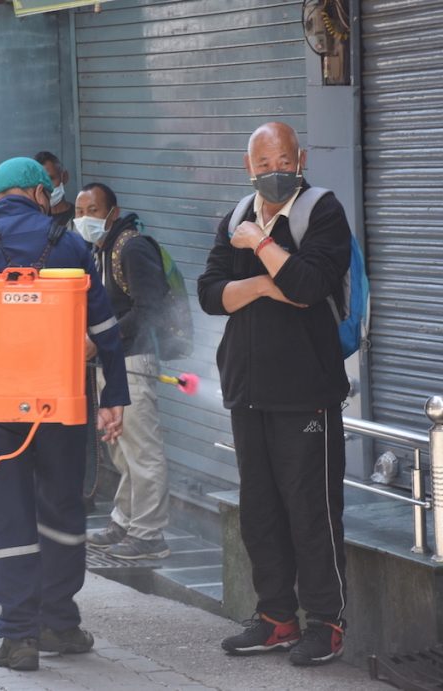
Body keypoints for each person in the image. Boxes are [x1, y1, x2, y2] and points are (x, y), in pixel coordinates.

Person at [0, 157, 129, 672]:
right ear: (35, 192)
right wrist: (114, 393)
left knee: (7, 513)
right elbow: (106, 331)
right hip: (62, 402)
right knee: (62, 512)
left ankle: (18, 636)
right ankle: (59, 623)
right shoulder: (71, 245)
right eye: (48, 190)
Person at [197, 122, 350, 666]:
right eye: (263, 164)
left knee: (311, 509)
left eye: (283, 159)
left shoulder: (322, 213)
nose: (274, 171)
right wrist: (265, 283)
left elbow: (310, 287)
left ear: (301, 157)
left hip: (307, 393)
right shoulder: (236, 216)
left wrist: (262, 247)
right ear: (249, 168)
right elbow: (210, 293)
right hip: (248, 389)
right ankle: (276, 618)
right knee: (259, 511)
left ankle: (326, 624)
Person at [76, 183, 172, 560]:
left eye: (93, 210)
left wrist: (101, 339)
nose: (84, 218)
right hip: (114, 363)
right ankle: (125, 520)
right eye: (80, 211)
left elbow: (150, 308)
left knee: (142, 449)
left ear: (112, 213)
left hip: (133, 363)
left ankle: (150, 535)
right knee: (121, 450)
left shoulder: (130, 247)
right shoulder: (99, 250)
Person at [33, 151, 75, 227]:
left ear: (64, 177)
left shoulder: (79, 219)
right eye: (39, 182)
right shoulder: (32, 222)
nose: (46, 187)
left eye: (50, 179)